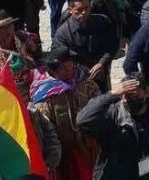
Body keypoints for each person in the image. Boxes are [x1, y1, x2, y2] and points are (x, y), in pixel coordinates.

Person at [77, 74, 149, 180]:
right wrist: (111, 94)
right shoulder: (112, 114)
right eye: (126, 96)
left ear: (146, 92)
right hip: (118, 175)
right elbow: (83, 120)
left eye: (135, 96)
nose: (130, 100)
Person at [31, 46, 101, 180]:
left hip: (89, 146)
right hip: (65, 152)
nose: (71, 70)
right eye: (65, 68)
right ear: (54, 70)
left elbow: (98, 102)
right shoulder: (45, 94)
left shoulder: (84, 82)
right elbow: (44, 126)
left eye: (71, 66)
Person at [52, 0, 118, 92]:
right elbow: (59, 62)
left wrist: (102, 63)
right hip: (77, 84)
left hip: (101, 76)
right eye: (79, 9)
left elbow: (112, 45)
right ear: (70, 9)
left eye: (87, 8)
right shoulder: (62, 34)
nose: (83, 12)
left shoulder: (102, 22)